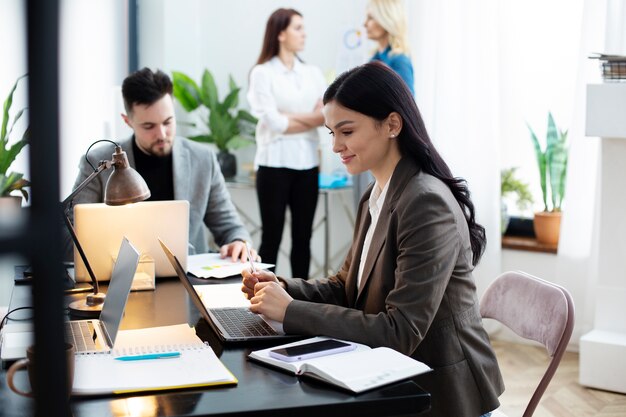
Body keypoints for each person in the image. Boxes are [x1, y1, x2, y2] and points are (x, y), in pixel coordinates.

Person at [242, 62, 504, 417]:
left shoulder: (425, 202)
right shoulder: (376, 195)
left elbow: (400, 331)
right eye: (331, 132)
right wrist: (285, 288)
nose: (335, 145)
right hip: (389, 377)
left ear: (392, 125)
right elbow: (346, 287)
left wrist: (291, 311)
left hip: (439, 393)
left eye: (346, 131)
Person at [64, 68, 253, 262]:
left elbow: (230, 227)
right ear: (128, 121)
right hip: (119, 275)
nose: (162, 134)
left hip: (189, 279)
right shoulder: (98, 163)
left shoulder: (202, 159)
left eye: (168, 122)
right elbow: (68, 240)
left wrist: (239, 242)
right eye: (149, 126)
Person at [247, 8, 326, 278]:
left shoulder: (313, 73)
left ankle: (299, 304)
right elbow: (274, 122)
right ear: (280, 34)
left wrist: (286, 117)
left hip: (307, 165)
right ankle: (261, 296)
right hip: (273, 166)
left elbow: (324, 116)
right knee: (272, 238)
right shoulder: (262, 73)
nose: (304, 34)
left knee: (303, 240)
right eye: (298, 28)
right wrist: (309, 118)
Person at [353, 0, 417, 207]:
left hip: (387, 150)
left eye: (371, 18)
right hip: (368, 143)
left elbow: (406, 110)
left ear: (386, 19)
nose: (365, 24)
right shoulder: (374, 59)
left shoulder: (399, 61)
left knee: (384, 209)